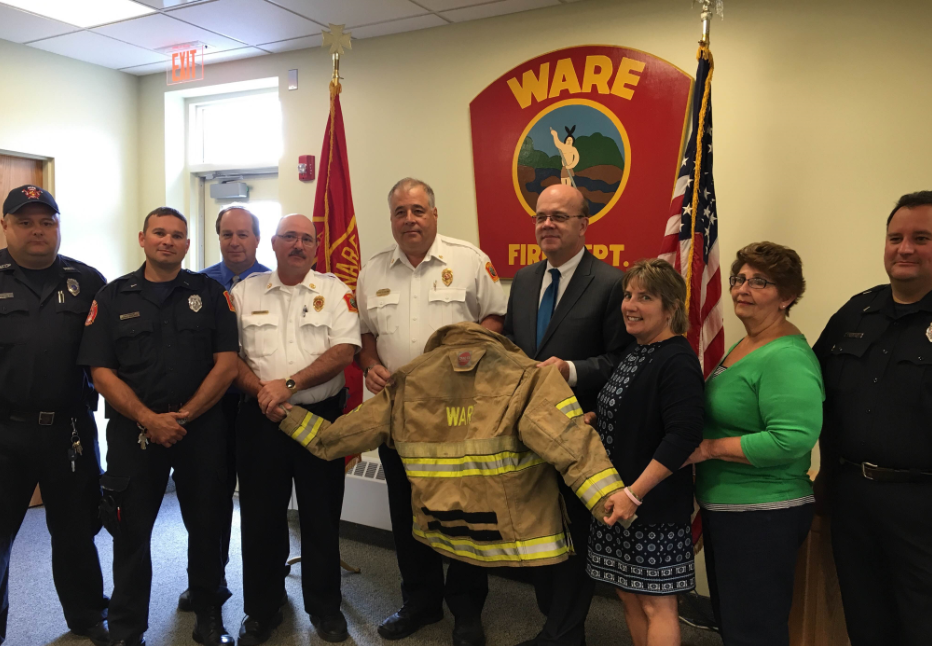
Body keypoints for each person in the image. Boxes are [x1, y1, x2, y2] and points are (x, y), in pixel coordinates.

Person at [355, 178, 507, 646]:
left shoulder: (470, 260)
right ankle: (420, 602)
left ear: (434, 214)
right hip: (400, 415)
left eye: (418, 210)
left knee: (465, 510)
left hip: (459, 414)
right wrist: (370, 365)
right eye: (400, 212)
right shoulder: (372, 271)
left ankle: (466, 609)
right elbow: (365, 334)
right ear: (392, 219)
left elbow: (495, 318)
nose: (409, 219)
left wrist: (469, 355)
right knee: (407, 511)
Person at [78, 207, 238, 646]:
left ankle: (209, 616)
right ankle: (128, 630)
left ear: (187, 244)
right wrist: (150, 419)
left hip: (200, 429)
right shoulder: (112, 297)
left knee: (208, 527)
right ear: (143, 238)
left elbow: (227, 365)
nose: (168, 240)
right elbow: (101, 373)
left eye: (177, 235)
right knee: (130, 533)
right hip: (134, 432)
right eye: (159, 233)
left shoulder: (211, 294)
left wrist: (183, 416)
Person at [504, 183, 629, 646]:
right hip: (525, 434)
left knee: (574, 536)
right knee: (536, 532)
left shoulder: (611, 283)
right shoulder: (523, 280)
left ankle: (565, 632)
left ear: (583, 224)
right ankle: (553, 625)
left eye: (559, 216)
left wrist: (571, 370)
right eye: (541, 217)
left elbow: (622, 360)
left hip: (579, 434)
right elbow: (514, 348)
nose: (547, 225)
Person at [685, 242, 823, 646]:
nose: (742, 289)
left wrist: (709, 449)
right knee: (736, 624)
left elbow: (791, 439)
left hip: (763, 511)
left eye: (759, 282)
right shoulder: (750, 343)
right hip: (731, 507)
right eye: (739, 279)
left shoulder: (786, 356)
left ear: (787, 296)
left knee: (754, 630)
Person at [231, 214, 360, 646]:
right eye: (289, 237)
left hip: (319, 418)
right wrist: (264, 394)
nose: (298, 245)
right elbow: (230, 357)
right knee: (261, 519)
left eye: (307, 239)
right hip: (261, 419)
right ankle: (262, 610)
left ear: (316, 247)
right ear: (273, 243)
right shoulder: (244, 292)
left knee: (320, 516)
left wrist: (288, 385)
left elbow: (345, 351)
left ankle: (325, 608)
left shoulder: (335, 291)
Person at [813, 190, 932, 646]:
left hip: (922, 504)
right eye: (895, 238)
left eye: (921, 238)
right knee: (864, 622)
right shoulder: (856, 312)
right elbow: (813, 391)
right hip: (853, 498)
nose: (905, 249)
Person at [0, 186, 109, 646]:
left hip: (70, 429)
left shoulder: (87, 281)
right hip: (5, 431)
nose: (38, 231)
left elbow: (110, 356)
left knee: (76, 530)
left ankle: (87, 615)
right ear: (6, 226)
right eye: (25, 222)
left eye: (47, 222)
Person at [585, 259, 704, 646]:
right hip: (618, 501)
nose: (630, 305)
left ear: (671, 308)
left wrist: (634, 494)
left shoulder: (677, 360)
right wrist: (596, 419)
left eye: (645, 297)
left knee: (657, 605)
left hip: (651, 506)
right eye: (628, 295)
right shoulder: (636, 351)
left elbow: (683, 436)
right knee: (628, 594)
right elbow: (636, 414)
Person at [173, 205, 270, 613]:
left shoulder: (274, 283)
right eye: (227, 234)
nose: (235, 242)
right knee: (210, 499)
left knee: (263, 501)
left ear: (257, 239)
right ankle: (210, 580)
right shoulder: (197, 285)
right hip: (212, 408)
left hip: (259, 407)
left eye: (243, 234)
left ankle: (268, 585)